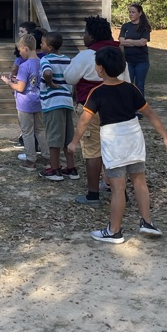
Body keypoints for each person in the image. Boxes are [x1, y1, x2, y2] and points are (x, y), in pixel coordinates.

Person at [67, 46, 167, 244]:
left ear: (99, 69)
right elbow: (150, 113)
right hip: (134, 138)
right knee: (139, 182)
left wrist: (74, 142)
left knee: (118, 188)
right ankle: (147, 222)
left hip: (113, 140)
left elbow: (84, 120)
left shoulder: (96, 93)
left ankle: (114, 231)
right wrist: (165, 137)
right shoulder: (130, 88)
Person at [64, 16, 128, 205]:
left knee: (93, 150)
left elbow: (70, 78)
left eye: (85, 33)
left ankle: (93, 195)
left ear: (91, 36)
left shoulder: (85, 56)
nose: (83, 36)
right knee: (115, 150)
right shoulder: (118, 54)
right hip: (117, 109)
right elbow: (128, 82)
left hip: (90, 109)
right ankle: (120, 192)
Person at [1, 32, 49, 170]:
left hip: (25, 103)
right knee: (41, 130)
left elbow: (21, 88)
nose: (19, 53)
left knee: (27, 131)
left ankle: (30, 160)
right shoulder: (42, 62)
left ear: (26, 48)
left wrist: (9, 82)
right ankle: (47, 158)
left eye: (20, 50)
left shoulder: (24, 66)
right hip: (39, 100)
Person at [37, 31, 78, 181]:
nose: (40, 45)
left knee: (54, 137)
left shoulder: (45, 59)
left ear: (48, 47)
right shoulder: (67, 59)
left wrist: (50, 83)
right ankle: (71, 168)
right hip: (67, 102)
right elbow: (75, 78)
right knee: (68, 136)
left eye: (42, 43)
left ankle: (54, 169)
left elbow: (47, 73)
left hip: (52, 103)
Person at [119, 3, 151, 101]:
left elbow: (143, 42)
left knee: (139, 86)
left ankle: (139, 109)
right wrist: (134, 42)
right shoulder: (125, 26)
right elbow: (121, 42)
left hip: (141, 61)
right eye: (129, 12)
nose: (131, 14)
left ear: (140, 13)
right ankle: (128, 108)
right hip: (128, 61)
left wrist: (129, 41)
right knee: (127, 85)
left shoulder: (145, 27)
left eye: (133, 12)